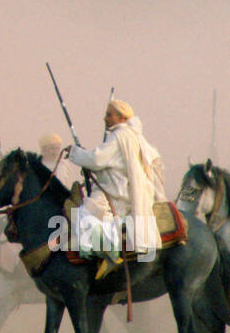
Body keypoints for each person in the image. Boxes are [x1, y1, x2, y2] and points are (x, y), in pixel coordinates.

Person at [67, 100, 162, 275]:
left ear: (122, 117)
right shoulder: (131, 135)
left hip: (115, 193)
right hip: (120, 188)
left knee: (84, 215)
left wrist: (74, 152)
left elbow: (96, 159)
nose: (105, 118)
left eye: (109, 115)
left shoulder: (119, 136)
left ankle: (107, 255)